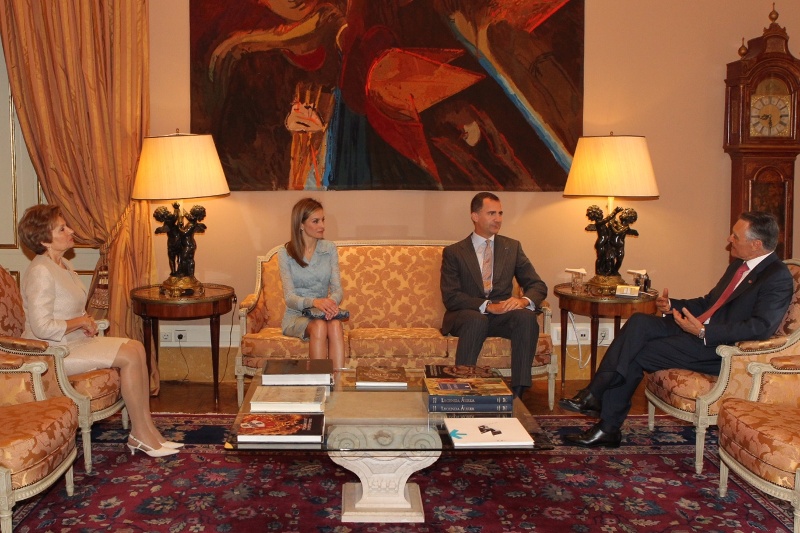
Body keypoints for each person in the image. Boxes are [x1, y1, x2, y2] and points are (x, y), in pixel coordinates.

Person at [560, 211, 793, 448]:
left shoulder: (777, 277)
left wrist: (704, 332)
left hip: (721, 348)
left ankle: (604, 419)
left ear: (756, 244)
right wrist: (673, 305)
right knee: (639, 322)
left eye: (735, 236)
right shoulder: (738, 267)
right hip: (698, 332)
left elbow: (760, 327)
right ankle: (595, 397)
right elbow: (709, 303)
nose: (729, 239)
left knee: (637, 351)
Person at [18, 204, 181, 458]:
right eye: (62, 229)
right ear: (44, 240)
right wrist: (80, 322)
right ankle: (140, 434)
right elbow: (41, 327)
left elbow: (67, 311)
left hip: (72, 342)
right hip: (51, 352)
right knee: (128, 356)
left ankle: (148, 430)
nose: (71, 231)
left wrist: (86, 322)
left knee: (136, 347)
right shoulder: (40, 271)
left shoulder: (62, 265)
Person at [440, 192, 548, 398]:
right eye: (491, 213)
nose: (498, 219)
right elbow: (451, 296)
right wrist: (488, 306)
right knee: (477, 320)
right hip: (466, 314)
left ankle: (518, 391)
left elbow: (537, 285)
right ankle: (462, 387)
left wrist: (522, 301)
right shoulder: (455, 252)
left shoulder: (512, 247)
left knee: (526, 317)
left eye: (500, 213)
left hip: (501, 316)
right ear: (475, 216)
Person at [278, 198, 346, 369]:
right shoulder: (285, 253)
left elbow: (337, 290)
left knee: (335, 324)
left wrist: (330, 304)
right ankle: (319, 381)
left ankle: (337, 382)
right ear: (301, 225)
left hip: (323, 312)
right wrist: (315, 302)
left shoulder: (329, 249)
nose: (322, 225)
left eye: (323, 220)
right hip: (296, 315)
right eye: (315, 221)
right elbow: (289, 298)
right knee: (319, 326)